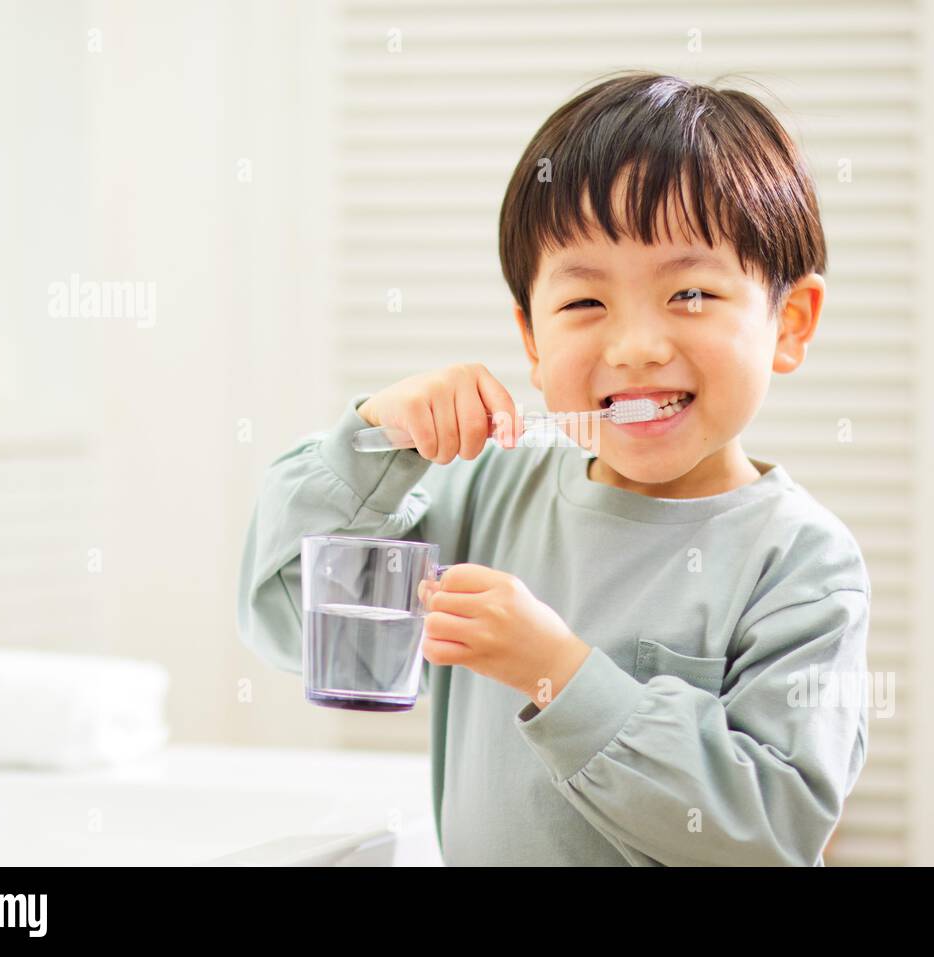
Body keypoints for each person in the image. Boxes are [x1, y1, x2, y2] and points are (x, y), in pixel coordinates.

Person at [237, 71, 871, 866]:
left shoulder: (804, 565)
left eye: (693, 293)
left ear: (791, 322)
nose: (635, 345)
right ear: (532, 341)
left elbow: (769, 832)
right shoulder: (486, 492)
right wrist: (374, 440)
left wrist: (559, 676)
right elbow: (284, 611)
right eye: (584, 304)